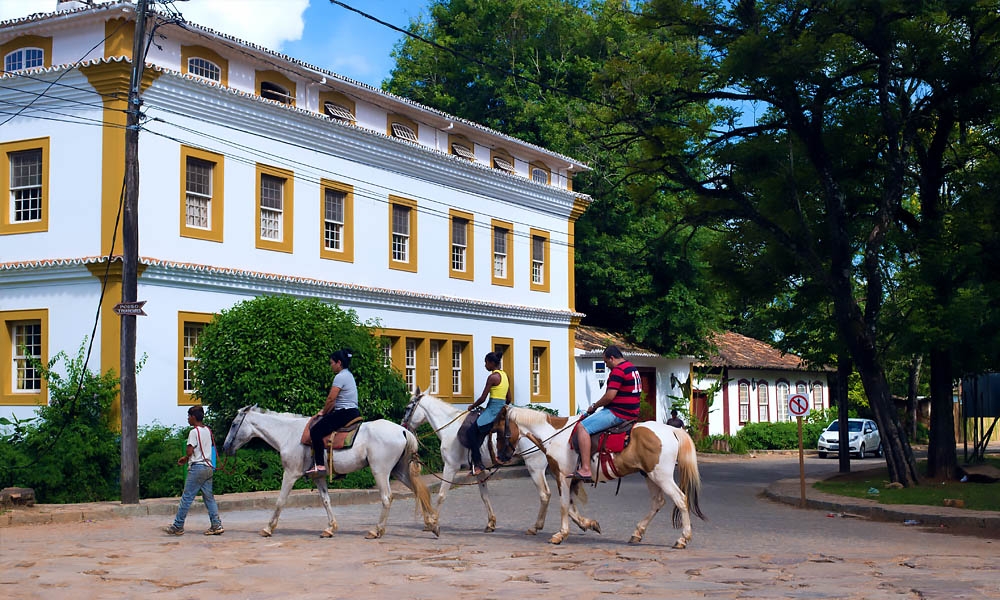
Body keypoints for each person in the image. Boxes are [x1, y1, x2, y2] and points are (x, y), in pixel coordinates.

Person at [574, 345, 641, 481]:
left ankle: (586, 469)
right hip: (632, 412)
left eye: (606, 362)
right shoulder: (631, 367)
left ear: (612, 358)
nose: (606, 366)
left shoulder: (618, 371)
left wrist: (594, 406)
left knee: (582, 427)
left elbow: (609, 396)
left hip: (619, 412)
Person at [164, 405, 223, 535]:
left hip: (197, 468)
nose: (188, 419)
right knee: (209, 498)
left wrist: (185, 457)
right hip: (208, 467)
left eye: (189, 416)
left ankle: (178, 526)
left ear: (194, 417)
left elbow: (190, 450)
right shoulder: (208, 430)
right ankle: (216, 525)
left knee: (186, 498)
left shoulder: (193, 432)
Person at [304, 348, 360, 476]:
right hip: (353, 412)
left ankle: (319, 466)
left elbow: (331, 399)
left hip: (344, 413)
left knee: (316, 431)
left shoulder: (339, 377)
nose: (331, 366)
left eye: (332, 363)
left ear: (339, 363)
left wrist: (323, 413)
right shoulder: (349, 375)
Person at [465, 351, 511, 476]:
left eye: (486, 363)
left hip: (492, 410)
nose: (485, 365)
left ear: (491, 363)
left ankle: (478, 464)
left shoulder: (492, 377)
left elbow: (483, 398)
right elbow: (509, 399)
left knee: (471, 432)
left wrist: (472, 406)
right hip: (501, 409)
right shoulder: (505, 376)